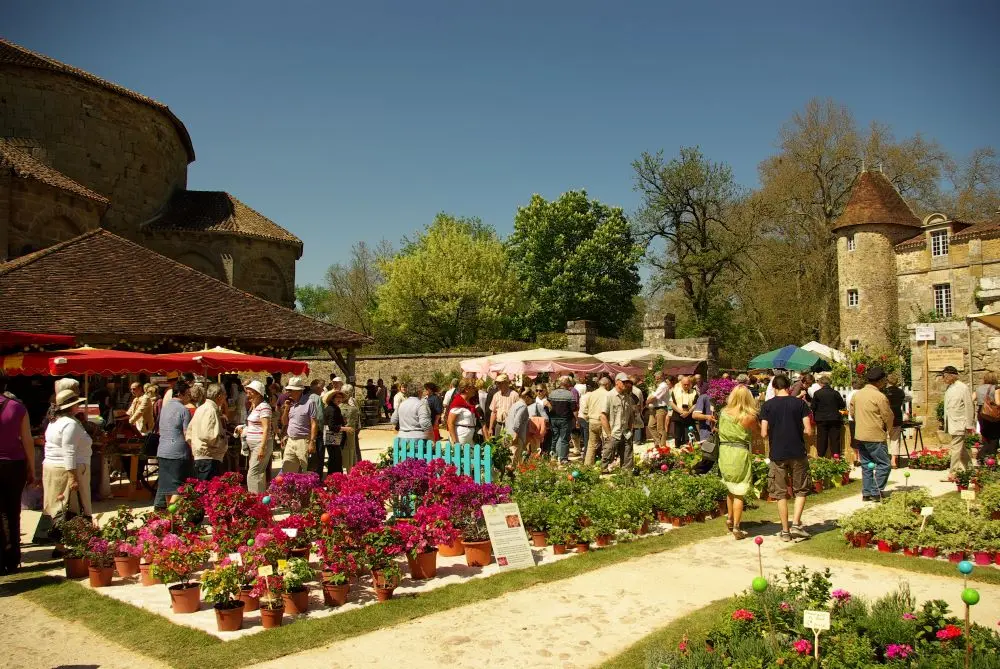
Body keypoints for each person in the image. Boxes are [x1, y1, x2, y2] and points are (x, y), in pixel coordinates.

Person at [759, 374, 812, 542]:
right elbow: (808, 430)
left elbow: (763, 433)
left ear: (774, 388)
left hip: (777, 453)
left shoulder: (767, 406)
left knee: (780, 493)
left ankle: (785, 530)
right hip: (797, 451)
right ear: (788, 387)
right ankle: (796, 524)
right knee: (800, 489)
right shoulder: (800, 404)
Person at [0, 380, 35, 573]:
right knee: (13, 511)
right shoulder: (17, 407)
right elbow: (27, 440)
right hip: (15, 463)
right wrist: (32, 468)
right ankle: (13, 558)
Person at [717, 385, 758, 540]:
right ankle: (736, 526)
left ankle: (729, 518)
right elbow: (756, 431)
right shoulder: (748, 416)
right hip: (739, 452)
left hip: (724, 451)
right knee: (739, 490)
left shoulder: (723, 413)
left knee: (730, 487)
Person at [850, 367, 894, 502]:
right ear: (880, 381)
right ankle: (876, 491)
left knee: (867, 464)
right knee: (884, 464)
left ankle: (866, 492)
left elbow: (852, 413)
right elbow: (887, 416)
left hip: (860, 434)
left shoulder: (857, 395)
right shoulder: (879, 396)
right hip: (875, 435)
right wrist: (889, 430)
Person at [155, 380, 192, 510]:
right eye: (188, 394)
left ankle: (171, 517)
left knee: (167, 488)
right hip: (178, 452)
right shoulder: (183, 410)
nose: (189, 397)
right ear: (181, 394)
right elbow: (188, 434)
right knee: (179, 487)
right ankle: (173, 512)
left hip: (162, 451)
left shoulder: (164, 408)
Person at [279, 376, 319, 474]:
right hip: (290, 440)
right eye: (288, 390)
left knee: (307, 472)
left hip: (304, 441)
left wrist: (312, 441)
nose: (288, 392)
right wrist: (286, 409)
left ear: (299, 391)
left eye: (290, 390)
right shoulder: (290, 404)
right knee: (288, 472)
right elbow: (284, 422)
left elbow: (314, 423)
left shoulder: (310, 403)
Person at [188, 383, 228, 481]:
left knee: (203, 487)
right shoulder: (210, 410)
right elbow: (208, 435)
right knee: (208, 488)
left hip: (202, 455)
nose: (225, 398)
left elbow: (189, 433)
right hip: (209, 456)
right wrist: (221, 442)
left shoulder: (201, 408)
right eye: (225, 395)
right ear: (219, 396)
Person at [238, 380, 272, 493]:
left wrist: (262, 448)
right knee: (257, 473)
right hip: (255, 445)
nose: (247, 395)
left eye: (250, 393)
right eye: (247, 392)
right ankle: (259, 498)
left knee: (253, 474)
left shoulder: (264, 407)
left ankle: (254, 499)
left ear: (258, 394)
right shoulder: (255, 407)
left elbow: (266, 428)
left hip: (260, 445)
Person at [941, 365, 975, 477]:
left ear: (951, 376)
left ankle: (953, 473)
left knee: (955, 448)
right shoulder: (949, 388)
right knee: (961, 449)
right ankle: (971, 470)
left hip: (960, 423)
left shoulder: (963, 388)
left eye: (945, 376)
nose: (943, 379)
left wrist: (969, 425)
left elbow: (969, 407)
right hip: (952, 423)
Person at [601, 373, 638, 473]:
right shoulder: (609, 395)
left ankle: (626, 474)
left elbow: (631, 415)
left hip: (626, 432)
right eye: (624, 382)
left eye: (627, 382)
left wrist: (630, 429)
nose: (626, 384)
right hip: (613, 432)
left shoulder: (628, 397)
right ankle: (604, 472)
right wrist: (609, 434)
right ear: (617, 382)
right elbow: (603, 416)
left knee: (628, 455)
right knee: (608, 453)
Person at [811, 375, 846, 459]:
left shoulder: (817, 393)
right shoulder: (835, 393)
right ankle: (836, 457)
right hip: (834, 418)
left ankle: (821, 457)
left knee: (822, 438)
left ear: (821, 383)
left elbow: (813, 407)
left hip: (821, 419)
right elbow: (842, 405)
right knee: (835, 438)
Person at [547, 377, 576, 462]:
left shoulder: (552, 393)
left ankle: (553, 456)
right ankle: (563, 459)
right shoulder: (569, 394)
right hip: (565, 419)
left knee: (554, 437)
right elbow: (574, 409)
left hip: (553, 419)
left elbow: (548, 405)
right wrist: (576, 420)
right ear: (567, 384)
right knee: (564, 439)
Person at [583, 377, 610, 466]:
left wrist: (588, 418)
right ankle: (606, 465)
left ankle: (588, 465)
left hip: (592, 421)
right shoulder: (608, 394)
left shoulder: (592, 394)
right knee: (606, 444)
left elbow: (585, 409)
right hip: (603, 422)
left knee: (591, 445)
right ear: (607, 385)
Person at [690, 387, 717, 475]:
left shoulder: (724, 399)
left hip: (721, 436)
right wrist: (707, 417)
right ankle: (692, 474)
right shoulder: (704, 397)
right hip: (707, 436)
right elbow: (695, 415)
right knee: (707, 460)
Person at [883, 373, 907, 468]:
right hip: (897, 416)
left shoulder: (884, 392)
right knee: (895, 439)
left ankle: (884, 459)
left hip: (885, 417)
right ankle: (893, 461)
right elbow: (907, 399)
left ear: (887, 381)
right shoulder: (900, 392)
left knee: (883, 439)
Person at [975, 371, 1000, 461]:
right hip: (992, 415)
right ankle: (989, 457)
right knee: (994, 436)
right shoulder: (996, 388)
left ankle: (983, 457)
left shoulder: (978, 388)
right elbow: (998, 403)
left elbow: (972, 398)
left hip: (981, 414)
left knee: (985, 435)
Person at [321, 391, 346, 476]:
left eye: (340, 397)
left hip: (332, 438)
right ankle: (335, 479)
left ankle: (333, 479)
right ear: (332, 399)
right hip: (332, 438)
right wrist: (346, 429)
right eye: (337, 397)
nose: (339, 399)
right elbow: (332, 426)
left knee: (334, 460)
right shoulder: (332, 409)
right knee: (336, 461)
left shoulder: (333, 408)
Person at [447, 380, 479, 445]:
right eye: (473, 388)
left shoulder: (470, 401)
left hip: (470, 436)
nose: (475, 390)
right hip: (461, 436)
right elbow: (450, 423)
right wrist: (455, 442)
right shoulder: (457, 402)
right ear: (466, 389)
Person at [487, 374, 519, 440]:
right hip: (499, 425)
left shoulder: (514, 395)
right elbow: (493, 412)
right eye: (498, 383)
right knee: (498, 444)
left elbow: (519, 413)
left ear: (507, 383)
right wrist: (490, 428)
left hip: (510, 426)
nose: (498, 385)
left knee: (509, 444)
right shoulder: (496, 395)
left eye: (501, 383)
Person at [670, 375, 698, 448]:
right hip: (678, 415)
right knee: (678, 436)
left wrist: (688, 412)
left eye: (687, 384)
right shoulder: (675, 391)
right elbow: (671, 403)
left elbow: (696, 404)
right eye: (684, 384)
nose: (686, 386)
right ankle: (677, 450)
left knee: (688, 437)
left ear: (690, 384)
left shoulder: (694, 392)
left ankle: (688, 450)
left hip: (689, 417)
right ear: (681, 384)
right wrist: (680, 412)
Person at [646, 371, 671, 448]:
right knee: (651, 426)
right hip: (654, 408)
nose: (656, 380)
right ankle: (658, 443)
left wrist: (647, 402)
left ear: (662, 377)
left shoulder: (663, 386)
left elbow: (654, 397)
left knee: (660, 428)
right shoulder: (658, 385)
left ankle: (662, 446)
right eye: (656, 378)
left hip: (661, 408)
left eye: (658, 378)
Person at [339, 384, 361, 473]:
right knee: (349, 455)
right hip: (348, 434)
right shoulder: (352, 407)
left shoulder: (339, 406)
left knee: (345, 455)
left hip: (343, 434)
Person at [504, 390, 531, 462]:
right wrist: (515, 435)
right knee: (514, 460)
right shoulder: (523, 406)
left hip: (508, 434)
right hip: (517, 436)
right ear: (527, 397)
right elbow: (517, 420)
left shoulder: (515, 405)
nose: (531, 401)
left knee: (509, 459)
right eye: (531, 398)